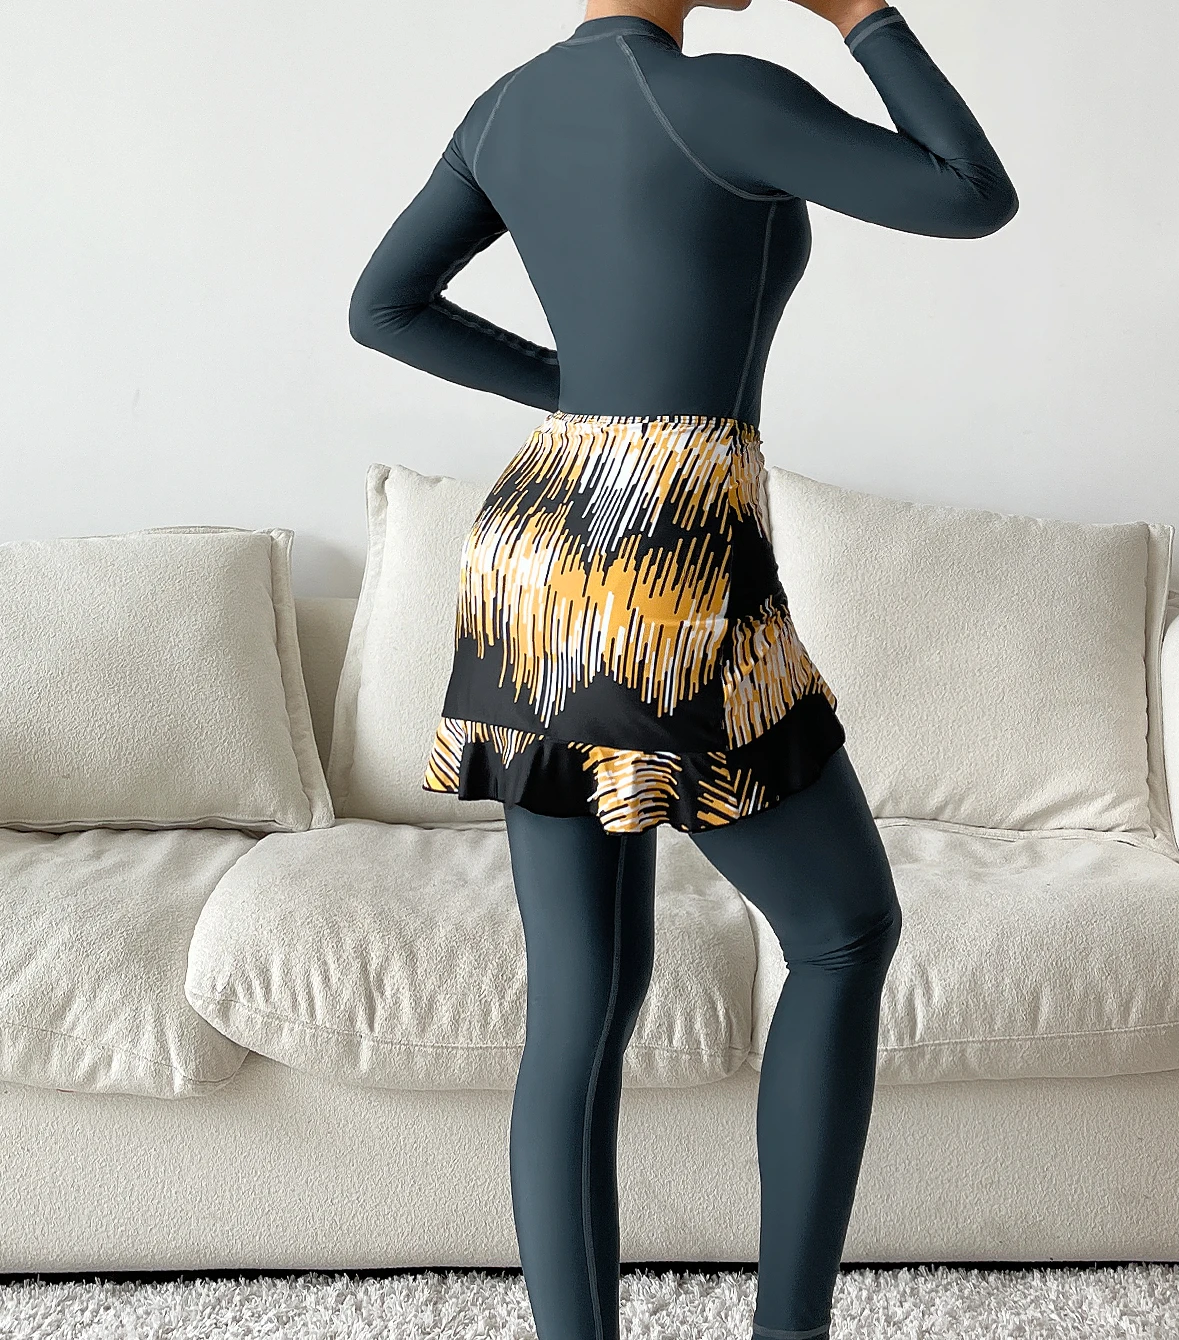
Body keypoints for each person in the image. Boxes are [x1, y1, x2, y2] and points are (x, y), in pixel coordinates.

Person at [348, 2, 1017, 1336]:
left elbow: (383, 308)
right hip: (665, 549)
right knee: (843, 931)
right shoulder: (722, 97)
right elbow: (969, 193)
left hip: (536, 541)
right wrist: (863, 16)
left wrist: (578, 392)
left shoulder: (506, 108)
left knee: (581, 1005)